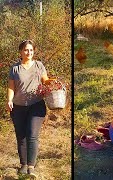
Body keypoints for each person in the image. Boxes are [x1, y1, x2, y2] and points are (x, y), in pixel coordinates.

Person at [6, 40, 49, 178]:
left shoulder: (39, 65)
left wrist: (52, 83)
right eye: (26, 50)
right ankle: (23, 165)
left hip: (36, 105)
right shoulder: (15, 68)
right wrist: (9, 100)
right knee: (21, 136)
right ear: (20, 52)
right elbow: (11, 87)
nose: (28, 52)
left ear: (34, 51)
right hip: (18, 107)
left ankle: (31, 166)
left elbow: (45, 81)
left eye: (31, 50)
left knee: (32, 134)